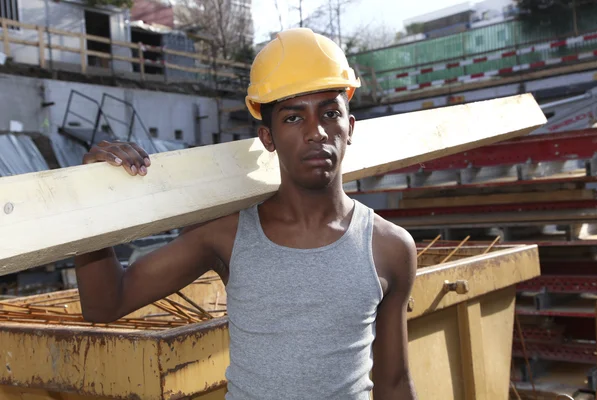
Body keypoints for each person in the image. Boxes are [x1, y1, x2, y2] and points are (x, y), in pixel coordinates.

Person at [74, 28, 417, 400]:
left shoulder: (390, 247)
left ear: (348, 127)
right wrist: (93, 199)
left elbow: (394, 383)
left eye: (330, 113)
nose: (316, 132)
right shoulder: (228, 235)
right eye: (292, 118)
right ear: (267, 138)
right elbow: (105, 303)